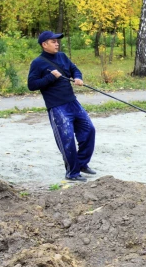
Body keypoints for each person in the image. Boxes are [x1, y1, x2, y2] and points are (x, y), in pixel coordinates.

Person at [27, 30, 96, 182]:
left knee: (89, 130)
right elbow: (31, 85)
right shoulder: (37, 63)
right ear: (44, 45)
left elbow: (74, 69)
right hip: (57, 106)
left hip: (72, 102)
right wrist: (51, 77)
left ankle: (82, 164)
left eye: (57, 41)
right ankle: (72, 172)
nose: (57, 43)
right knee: (67, 138)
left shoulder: (62, 56)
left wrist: (78, 77)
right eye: (53, 41)